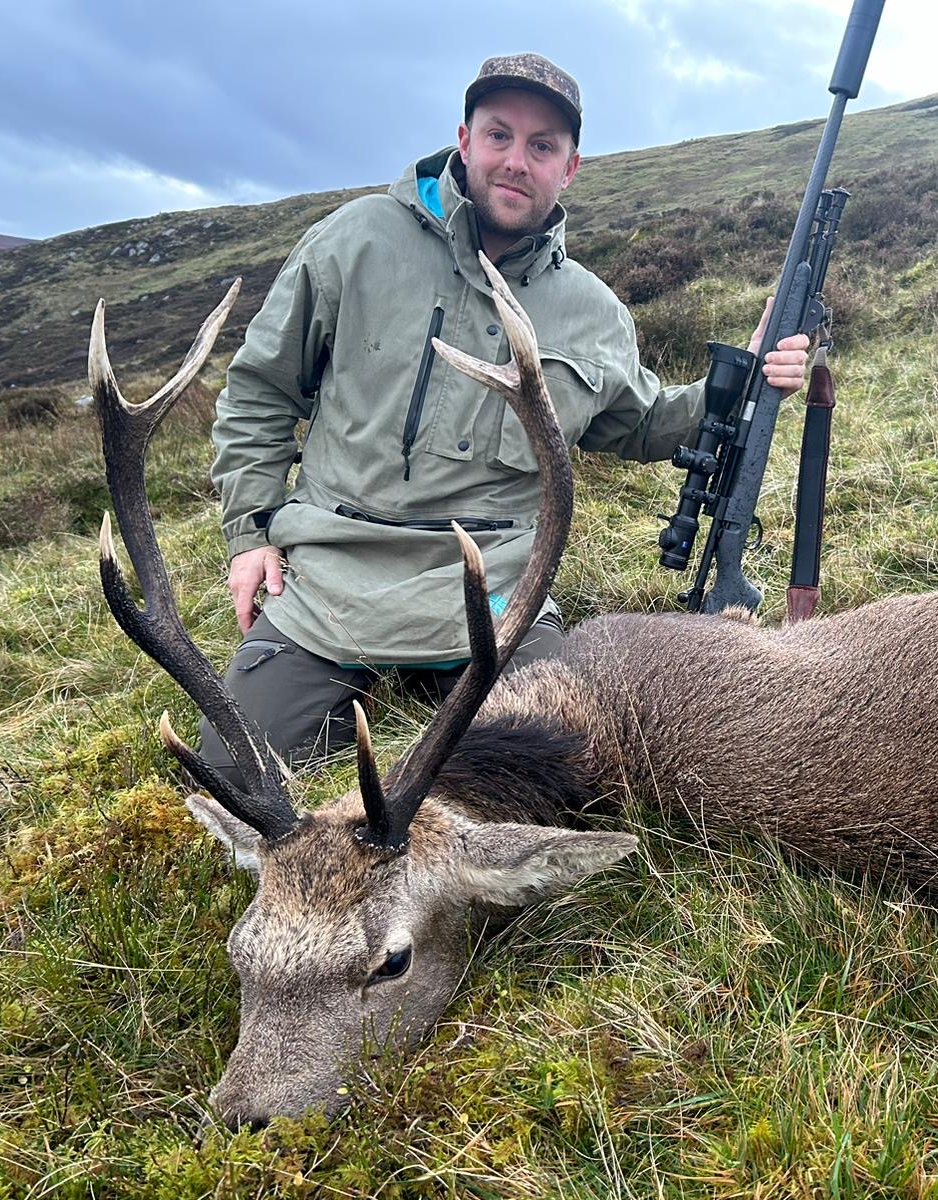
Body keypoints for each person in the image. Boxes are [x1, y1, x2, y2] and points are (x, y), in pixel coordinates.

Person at [197, 53, 810, 787]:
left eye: (542, 146)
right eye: (499, 136)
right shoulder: (353, 242)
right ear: (464, 140)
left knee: (564, 775)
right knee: (232, 781)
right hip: (331, 579)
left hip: (496, 596)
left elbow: (639, 422)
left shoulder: (592, 310)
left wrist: (742, 382)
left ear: (569, 167)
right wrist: (249, 532)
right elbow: (259, 392)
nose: (517, 161)